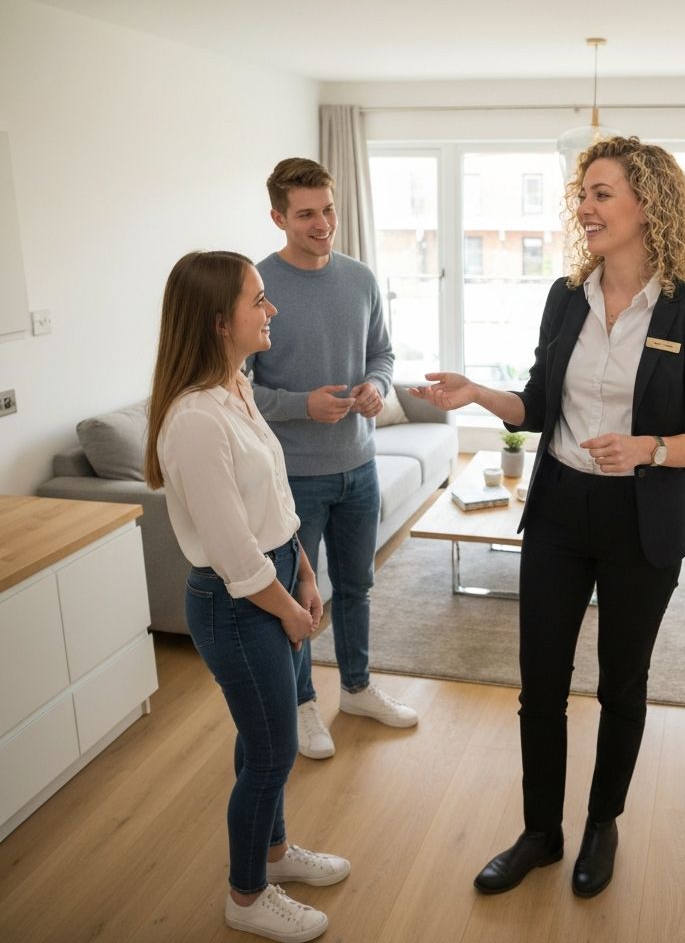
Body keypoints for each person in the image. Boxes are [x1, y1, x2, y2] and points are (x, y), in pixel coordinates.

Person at [410, 136, 685, 899]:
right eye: (581, 195)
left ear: (647, 205)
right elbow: (539, 401)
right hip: (559, 510)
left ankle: (600, 825)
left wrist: (651, 447)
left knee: (622, 684)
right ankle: (539, 832)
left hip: (641, 521)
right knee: (540, 684)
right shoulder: (565, 297)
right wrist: (480, 395)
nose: (583, 208)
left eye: (600, 194)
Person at [144, 251, 350, 943]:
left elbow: (273, 502)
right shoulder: (196, 421)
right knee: (269, 753)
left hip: (273, 582)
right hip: (238, 606)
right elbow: (232, 552)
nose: (272, 310)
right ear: (216, 321)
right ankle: (246, 895)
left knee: (267, 740)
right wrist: (289, 611)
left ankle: (274, 853)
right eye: (258, 300)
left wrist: (305, 573)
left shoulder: (236, 387)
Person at [247, 157, 418, 762]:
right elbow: (239, 389)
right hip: (294, 477)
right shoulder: (257, 288)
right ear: (278, 217)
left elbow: (384, 352)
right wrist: (300, 404)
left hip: (360, 465)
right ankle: (302, 707)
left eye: (328, 210)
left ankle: (358, 689)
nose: (322, 224)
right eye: (306, 214)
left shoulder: (361, 278)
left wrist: (376, 385)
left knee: (356, 588)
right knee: (299, 603)